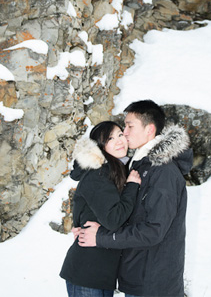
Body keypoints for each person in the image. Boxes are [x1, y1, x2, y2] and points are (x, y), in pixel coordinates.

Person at [77, 100, 192, 297]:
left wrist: (101, 237)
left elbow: (154, 230)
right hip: (138, 279)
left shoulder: (163, 172)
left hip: (154, 285)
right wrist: (79, 222)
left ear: (150, 130)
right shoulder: (137, 165)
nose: (125, 132)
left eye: (130, 126)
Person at [60, 121, 142, 297]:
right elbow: (114, 219)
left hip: (102, 274)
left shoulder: (117, 170)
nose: (119, 141)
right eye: (110, 138)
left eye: (120, 135)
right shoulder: (99, 174)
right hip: (87, 273)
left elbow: (83, 205)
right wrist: (132, 187)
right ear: (100, 146)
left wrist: (78, 223)